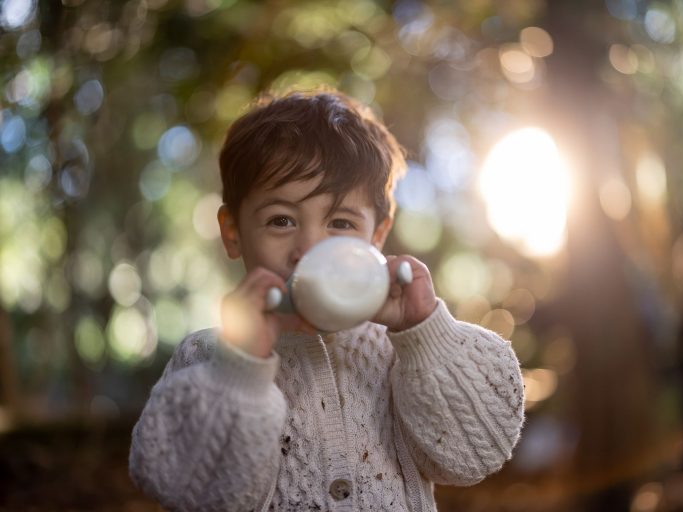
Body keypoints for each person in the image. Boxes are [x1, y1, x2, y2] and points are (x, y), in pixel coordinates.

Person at [129, 90, 525, 512]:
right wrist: (241, 369)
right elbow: (186, 489)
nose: (310, 248)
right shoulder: (208, 358)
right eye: (281, 220)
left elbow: (474, 455)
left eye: (340, 222)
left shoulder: (400, 353)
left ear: (377, 236)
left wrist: (425, 332)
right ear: (233, 232)